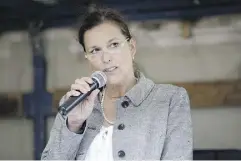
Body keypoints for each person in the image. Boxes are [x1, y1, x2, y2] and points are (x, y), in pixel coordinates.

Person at [41, 7, 193, 161]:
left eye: (113, 45)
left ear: (132, 47)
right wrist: (73, 125)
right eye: (95, 50)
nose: (106, 58)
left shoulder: (170, 100)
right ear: (87, 58)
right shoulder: (73, 103)